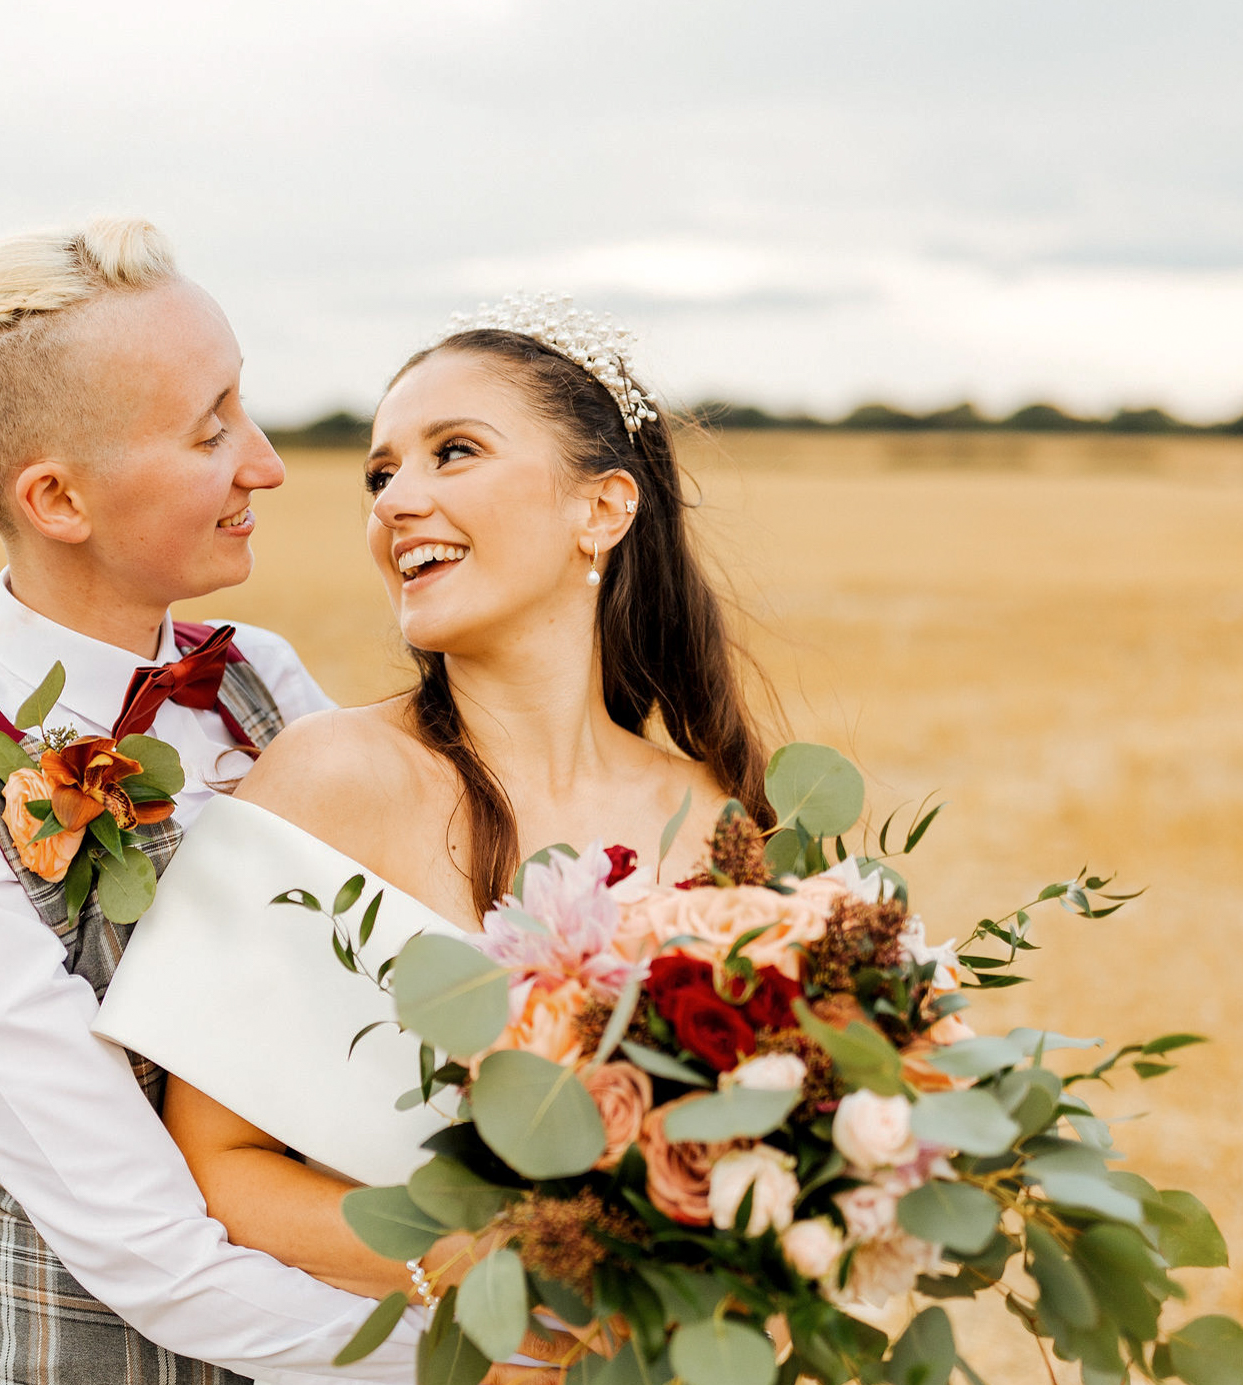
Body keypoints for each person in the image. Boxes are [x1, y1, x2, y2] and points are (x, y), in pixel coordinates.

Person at [0, 217, 426, 1385]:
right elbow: (151, 1251)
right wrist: (486, 1352)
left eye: (244, 406)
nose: (266, 463)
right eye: (211, 430)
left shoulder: (260, 675)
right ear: (57, 497)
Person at [132, 293, 772, 1317]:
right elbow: (215, 1165)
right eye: (380, 474)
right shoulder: (332, 776)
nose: (395, 501)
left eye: (454, 452)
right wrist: (497, 1267)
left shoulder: (713, 819)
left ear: (603, 508)